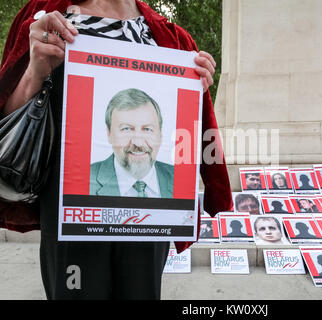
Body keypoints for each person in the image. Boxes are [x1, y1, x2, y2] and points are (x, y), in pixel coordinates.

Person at [0, 0, 233, 300]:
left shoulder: (171, 37)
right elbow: (9, 122)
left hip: (150, 219)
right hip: (72, 214)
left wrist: (190, 90)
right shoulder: (44, 15)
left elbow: (185, 133)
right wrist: (35, 72)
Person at [90, 88, 173, 198]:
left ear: (160, 135)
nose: (138, 143)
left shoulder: (181, 179)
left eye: (147, 129)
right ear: (109, 134)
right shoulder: (84, 179)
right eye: (126, 129)